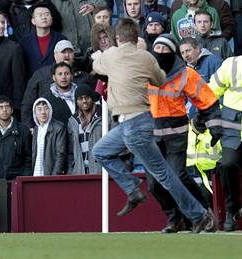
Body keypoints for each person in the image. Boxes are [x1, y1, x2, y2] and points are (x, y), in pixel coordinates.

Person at [91, 18, 215, 233]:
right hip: (135, 122)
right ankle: (133, 190)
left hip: (136, 124)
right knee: (100, 151)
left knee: (164, 175)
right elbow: (159, 80)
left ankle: (199, 215)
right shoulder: (147, 57)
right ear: (135, 36)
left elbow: (95, 64)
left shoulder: (111, 55)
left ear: (118, 38)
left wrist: (97, 57)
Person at [147, 34, 222, 233]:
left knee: (177, 176)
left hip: (176, 133)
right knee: (154, 183)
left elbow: (207, 100)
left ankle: (204, 212)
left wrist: (215, 126)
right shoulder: (145, 71)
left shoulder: (186, 74)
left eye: (164, 50)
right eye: (157, 49)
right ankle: (175, 219)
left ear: (173, 53)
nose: (160, 53)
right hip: (151, 135)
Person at [21, 40, 97, 128]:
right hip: (51, 130)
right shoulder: (40, 75)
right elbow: (27, 105)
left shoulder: (83, 76)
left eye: (70, 52)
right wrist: (30, 128)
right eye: (63, 52)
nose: (67, 55)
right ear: (55, 55)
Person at [208, 55, 242, 231]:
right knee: (226, 164)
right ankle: (232, 210)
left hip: (232, 128)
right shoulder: (232, 64)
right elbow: (210, 93)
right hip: (232, 130)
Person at [19, 3, 66, 78]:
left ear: (52, 19)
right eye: (40, 15)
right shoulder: (24, 42)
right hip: (33, 83)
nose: (44, 17)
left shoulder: (61, 39)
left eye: (47, 14)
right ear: (33, 21)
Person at [67, 83, 102, 175]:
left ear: (92, 98)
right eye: (80, 98)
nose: (84, 101)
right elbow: (70, 151)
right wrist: (71, 170)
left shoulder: (104, 116)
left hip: (101, 171)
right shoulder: (72, 121)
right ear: (76, 101)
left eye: (87, 97)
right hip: (80, 172)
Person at [31, 97, 67, 176]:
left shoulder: (58, 128)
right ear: (35, 112)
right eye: (39, 109)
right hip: (36, 173)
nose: (43, 112)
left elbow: (60, 154)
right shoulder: (36, 129)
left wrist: (54, 175)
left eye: (46, 108)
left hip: (50, 174)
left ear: (50, 110)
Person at [170, 0, 235, 41]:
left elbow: (217, 33)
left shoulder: (213, 10)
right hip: (184, 54)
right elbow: (175, 36)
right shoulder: (176, 11)